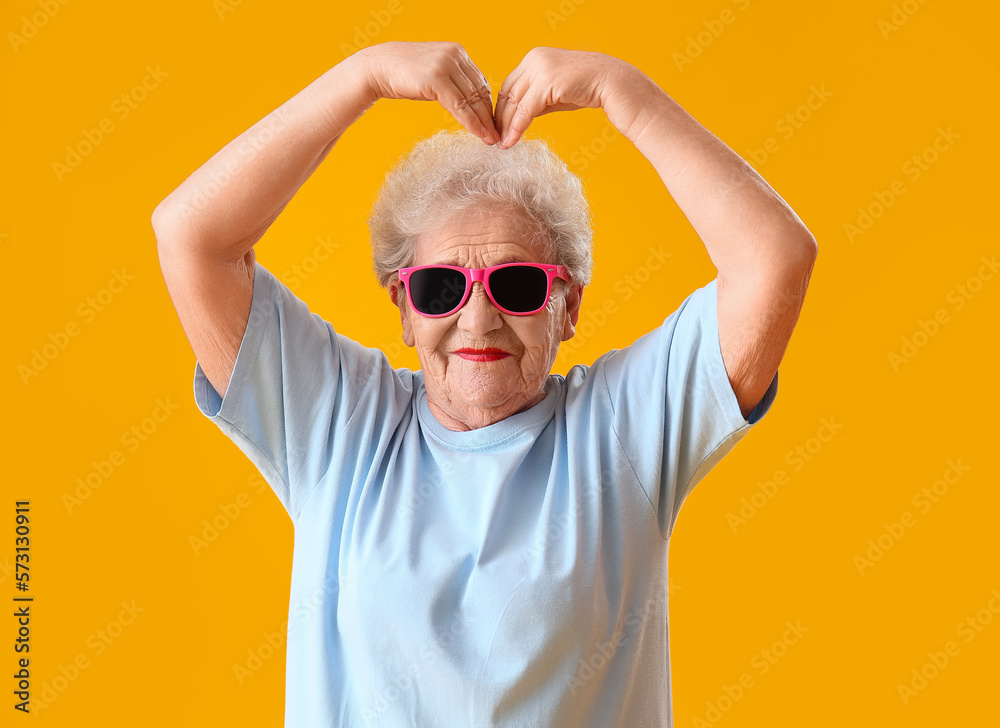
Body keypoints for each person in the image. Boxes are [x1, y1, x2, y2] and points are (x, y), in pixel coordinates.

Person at [152, 41, 816, 727]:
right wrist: (362, 78)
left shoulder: (622, 433)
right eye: (440, 288)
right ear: (405, 310)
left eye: (517, 285)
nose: (478, 319)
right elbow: (189, 236)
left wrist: (626, 94)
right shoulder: (340, 425)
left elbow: (776, 257)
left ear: (570, 307)